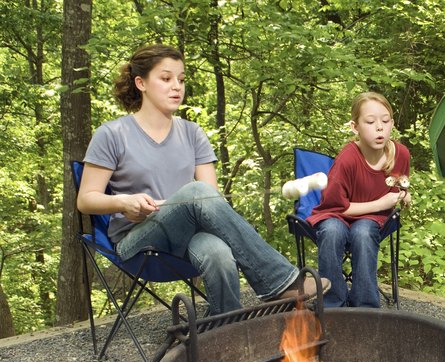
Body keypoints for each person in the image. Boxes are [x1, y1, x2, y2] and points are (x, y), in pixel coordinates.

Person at [77, 44, 327, 315]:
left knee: (217, 252)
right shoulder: (112, 134)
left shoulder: (193, 133)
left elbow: (211, 200)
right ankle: (281, 282)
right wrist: (125, 203)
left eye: (181, 80)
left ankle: (224, 330)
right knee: (196, 191)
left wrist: (190, 203)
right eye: (166, 78)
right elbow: (86, 200)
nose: (176, 87)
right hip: (139, 241)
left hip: (188, 234)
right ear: (141, 83)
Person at [306, 92, 411, 308]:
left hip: (372, 220)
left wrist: (404, 194)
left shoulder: (401, 154)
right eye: (371, 122)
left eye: (385, 120)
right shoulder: (347, 159)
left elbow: (400, 182)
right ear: (356, 127)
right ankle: (333, 303)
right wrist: (381, 203)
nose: (379, 127)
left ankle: (365, 307)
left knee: (363, 233)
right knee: (332, 232)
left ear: (392, 123)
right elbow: (336, 207)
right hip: (338, 214)